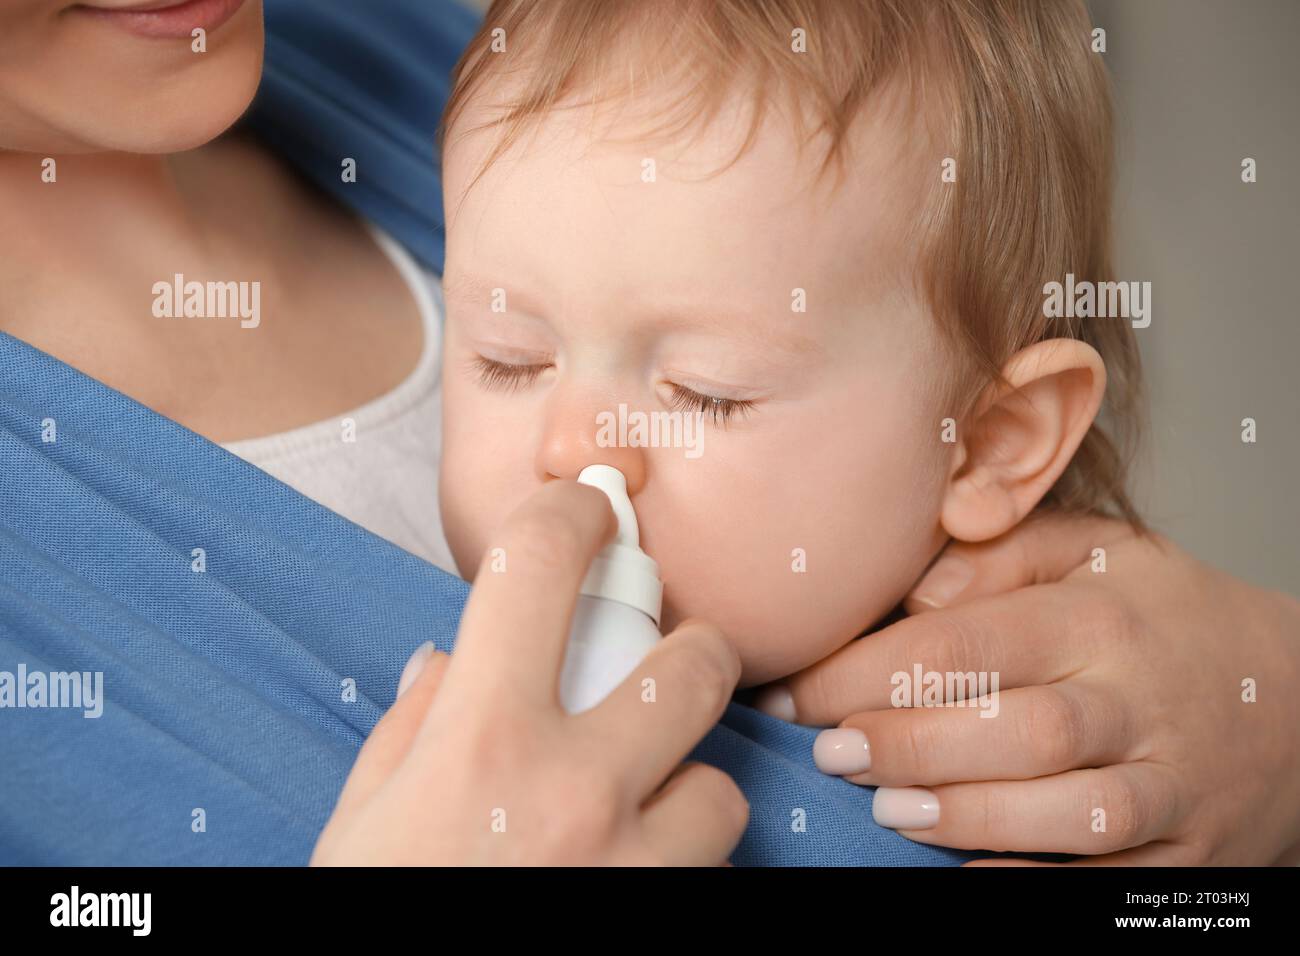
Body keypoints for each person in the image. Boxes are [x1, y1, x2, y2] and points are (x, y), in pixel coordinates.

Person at [1, 0, 1296, 866]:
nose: (579, 453)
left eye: (712, 393)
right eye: (504, 359)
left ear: (1000, 444)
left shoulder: (481, 54)